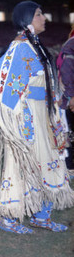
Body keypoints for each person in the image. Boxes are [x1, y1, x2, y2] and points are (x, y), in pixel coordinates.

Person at [0, 1, 74, 234]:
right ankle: (8, 218)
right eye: (39, 14)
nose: (44, 18)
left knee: (49, 161)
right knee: (20, 165)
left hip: (43, 115)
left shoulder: (35, 46)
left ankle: (42, 216)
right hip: (26, 117)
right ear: (27, 18)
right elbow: (3, 83)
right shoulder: (20, 48)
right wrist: (14, 118)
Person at [59, 25, 74, 177]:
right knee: (69, 135)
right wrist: (71, 96)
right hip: (70, 100)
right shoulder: (71, 44)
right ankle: (69, 168)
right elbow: (66, 71)